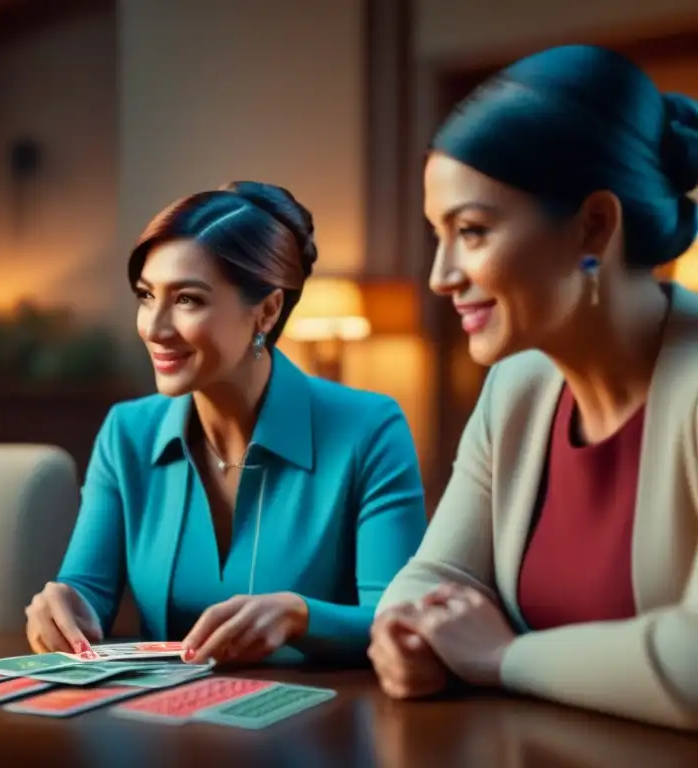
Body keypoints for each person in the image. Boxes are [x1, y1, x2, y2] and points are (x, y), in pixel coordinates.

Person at [369, 44, 698, 730]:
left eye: (472, 231)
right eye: (439, 235)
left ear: (594, 226)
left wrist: (500, 658)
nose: (440, 275)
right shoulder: (515, 388)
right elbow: (437, 578)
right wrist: (405, 634)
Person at [25, 181, 427, 665]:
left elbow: (399, 621)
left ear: (268, 310)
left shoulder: (370, 429)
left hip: (321, 723)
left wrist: (299, 617)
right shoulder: (126, 432)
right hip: (164, 724)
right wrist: (64, 607)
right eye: (146, 296)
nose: (154, 327)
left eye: (188, 300)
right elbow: (87, 589)